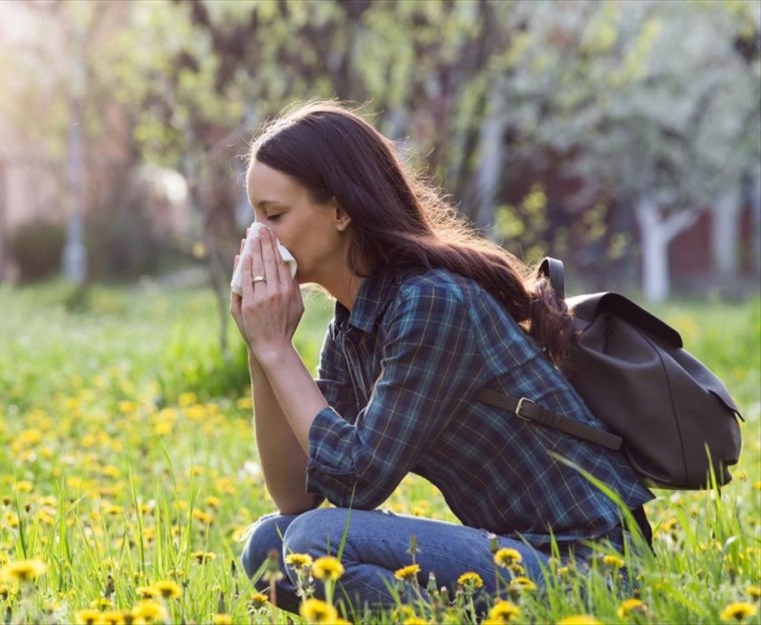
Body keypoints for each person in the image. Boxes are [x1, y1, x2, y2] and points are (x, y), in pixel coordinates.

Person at [230, 101, 653, 616]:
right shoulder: (352, 326)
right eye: (254, 217)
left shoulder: (431, 301)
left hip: (593, 569)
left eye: (274, 215)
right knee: (269, 547)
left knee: (317, 543)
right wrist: (262, 349)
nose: (258, 237)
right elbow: (297, 496)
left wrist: (278, 350)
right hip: (519, 555)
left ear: (340, 211)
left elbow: (357, 482)